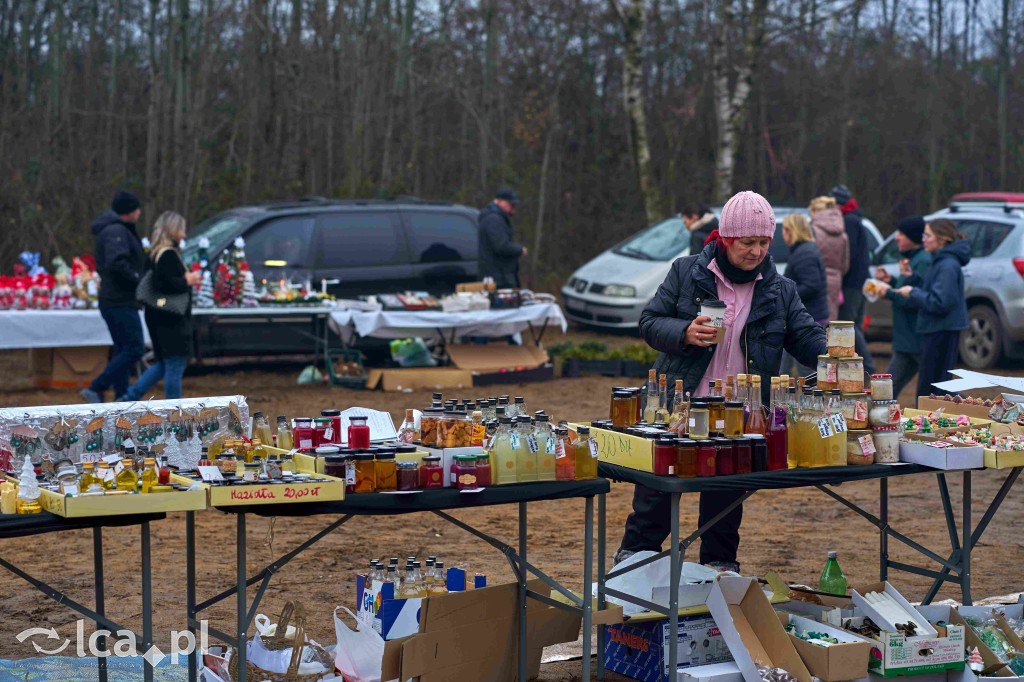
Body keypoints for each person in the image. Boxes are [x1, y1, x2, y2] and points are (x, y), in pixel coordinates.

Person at [616, 191, 827, 571]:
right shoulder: (686, 272)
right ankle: (635, 561)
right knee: (657, 492)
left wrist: (837, 353)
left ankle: (718, 569)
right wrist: (684, 332)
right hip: (677, 407)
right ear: (725, 239)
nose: (757, 251)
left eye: (764, 242)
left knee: (725, 499)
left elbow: (806, 337)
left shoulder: (780, 290)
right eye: (748, 243)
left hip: (739, 416)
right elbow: (649, 322)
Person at [875, 219, 969, 398]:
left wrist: (911, 292)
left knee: (934, 390)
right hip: (934, 329)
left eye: (927, 235)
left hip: (941, 331)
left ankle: (978, 411)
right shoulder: (940, 261)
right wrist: (910, 280)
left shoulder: (947, 265)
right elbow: (931, 291)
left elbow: (940, 301)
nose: (923, 239)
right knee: (935, 389)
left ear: (941, 239)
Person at [119, 212, 201, 401]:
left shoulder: (155, 253)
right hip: (171, 319)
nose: (183, 234)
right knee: (175, 364)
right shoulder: (168, 255)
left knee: (164, 364)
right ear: (172, 230)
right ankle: (173, 410)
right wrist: (187, 280)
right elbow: (165, 284)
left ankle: (128, 398)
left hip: (157, 316)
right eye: (181, 229)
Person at [80, 190, 147, 404]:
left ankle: (121, 396)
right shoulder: (116, 231)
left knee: (123, 349)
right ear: (129, 210)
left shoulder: (115, 230)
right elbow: (117, 263)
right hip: (119, 300)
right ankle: (96, 387)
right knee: (135, 347)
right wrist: (139, 279)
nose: (139, 211)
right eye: (136, 207)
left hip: (116, 299)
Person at [873, 216, 931, 399]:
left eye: (901, 234)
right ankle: (880, 422)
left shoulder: (923, 261)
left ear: (912, 237)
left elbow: (915, 297)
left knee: (934, 392)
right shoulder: (912, 259)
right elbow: (908, 287)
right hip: (906, 341)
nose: (896, 237)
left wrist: (887, 292)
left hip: (916, 340)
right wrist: (890, 281)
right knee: (885, 393)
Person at [830, 184, 875, 372]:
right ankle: (860, 367)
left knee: (849, 326)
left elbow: (849, 255)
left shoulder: (848, 221)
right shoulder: (855, 219)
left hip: (851, 283)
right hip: (860, 281)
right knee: (854, 325)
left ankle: (868, 368)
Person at [780, 213, 829, 376]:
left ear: (791, 231)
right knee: (783, 367)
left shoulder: (804, 253)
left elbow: (811, 285)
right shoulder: (804, 250)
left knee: (807, 373)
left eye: (784, 230)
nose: (782, 234)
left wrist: (786, 294)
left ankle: (809, 400)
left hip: (809, 319)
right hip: (805, 316)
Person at [808, 196, 849, 320]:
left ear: (815, 212)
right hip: (835, 280)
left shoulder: (811, 231)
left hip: (814, 279)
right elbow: (845, 265)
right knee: (831, 319)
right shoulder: (843, 234)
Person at [478, 187, 526, 288]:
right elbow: (500, 246)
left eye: (514, 204)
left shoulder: (496, 218)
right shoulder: (493, 219)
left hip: (500, 276)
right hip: (498, 279)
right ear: (499, 202)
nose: (513, 206)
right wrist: (519, 250)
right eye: (510, 203)